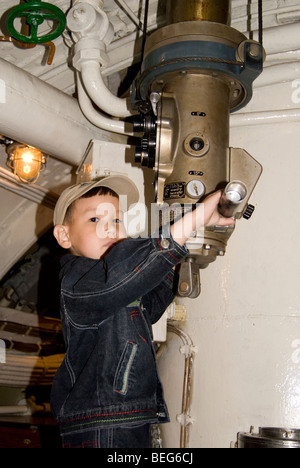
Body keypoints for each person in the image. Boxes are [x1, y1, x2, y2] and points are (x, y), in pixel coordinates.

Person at [51, 175, 234, 448]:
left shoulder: (117, 283)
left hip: (126, 417)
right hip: (102, 423)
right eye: (94, 220)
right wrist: (193, 219)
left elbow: (148, 300)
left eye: (116, 220)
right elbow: (121, 276)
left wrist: (178, 256)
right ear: (64, 235)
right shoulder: (77, 282)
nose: (109, 230)